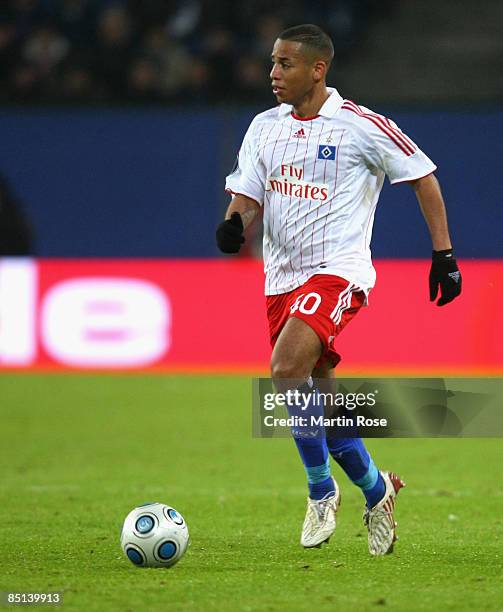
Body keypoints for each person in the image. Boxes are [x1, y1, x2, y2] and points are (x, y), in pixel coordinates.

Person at [216, 24, 461, 556]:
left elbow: (424, 177)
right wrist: (236, 222)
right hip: (281, 280)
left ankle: (320, 492)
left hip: (339, 271)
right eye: (273, 63)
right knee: (317, 402)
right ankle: (377, 490)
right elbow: (248, 192)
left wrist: (443, 256)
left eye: (285, 64)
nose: (273, 73)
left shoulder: (361, 126)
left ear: (317, 69)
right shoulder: (264, 126)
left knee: (286, 369)